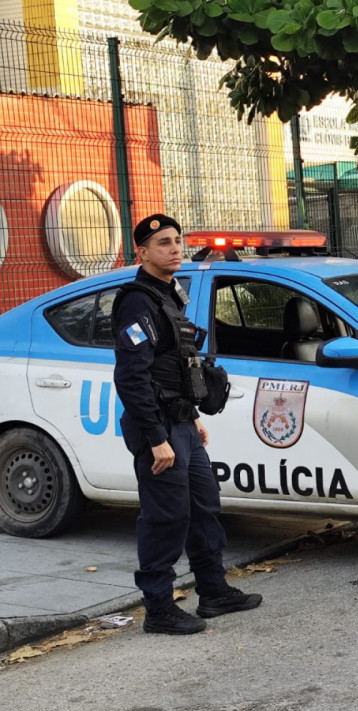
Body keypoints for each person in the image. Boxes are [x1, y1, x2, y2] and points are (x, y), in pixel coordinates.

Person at [113, 214, 262, 635]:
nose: (175, 248)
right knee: (166, 517)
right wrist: (156, 438)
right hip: (158, 428)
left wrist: (192, 418)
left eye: (177, 240)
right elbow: (131, 376)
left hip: (180, 423)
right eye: (163, 242)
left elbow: (175, 365)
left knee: (204, 505)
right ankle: (159, 609)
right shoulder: (138, 302)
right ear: (142, 252)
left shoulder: (169, 294)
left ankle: (213, 591)